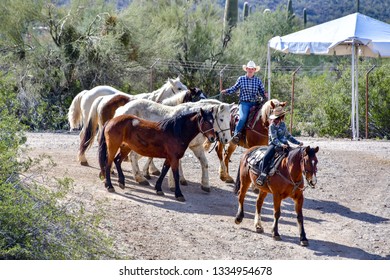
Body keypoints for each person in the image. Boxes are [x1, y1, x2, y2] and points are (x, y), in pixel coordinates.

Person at [221, 60, 266, 144]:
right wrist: (226, 91)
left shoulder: (258, 80)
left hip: (255, 103)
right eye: (249, 68)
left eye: (252, 69)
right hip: (244, 103)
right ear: (246, 69)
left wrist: (265, 95)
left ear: (254, 70)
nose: (250, 70)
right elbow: (234, 88)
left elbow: (262, 91)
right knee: (243, 118)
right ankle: (236, 135)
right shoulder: (241, 79)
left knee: (264, 116)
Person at [256, 106, 303, 186]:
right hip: (274, 145)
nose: (279, 119)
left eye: (280, 117)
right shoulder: (272, 125)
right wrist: (281, 144)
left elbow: (288, 136)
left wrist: (297, 143)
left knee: (294, 158)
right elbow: (274, 139)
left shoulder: (283, 124)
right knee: (266, 157)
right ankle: (262, 175)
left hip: (285, 145)